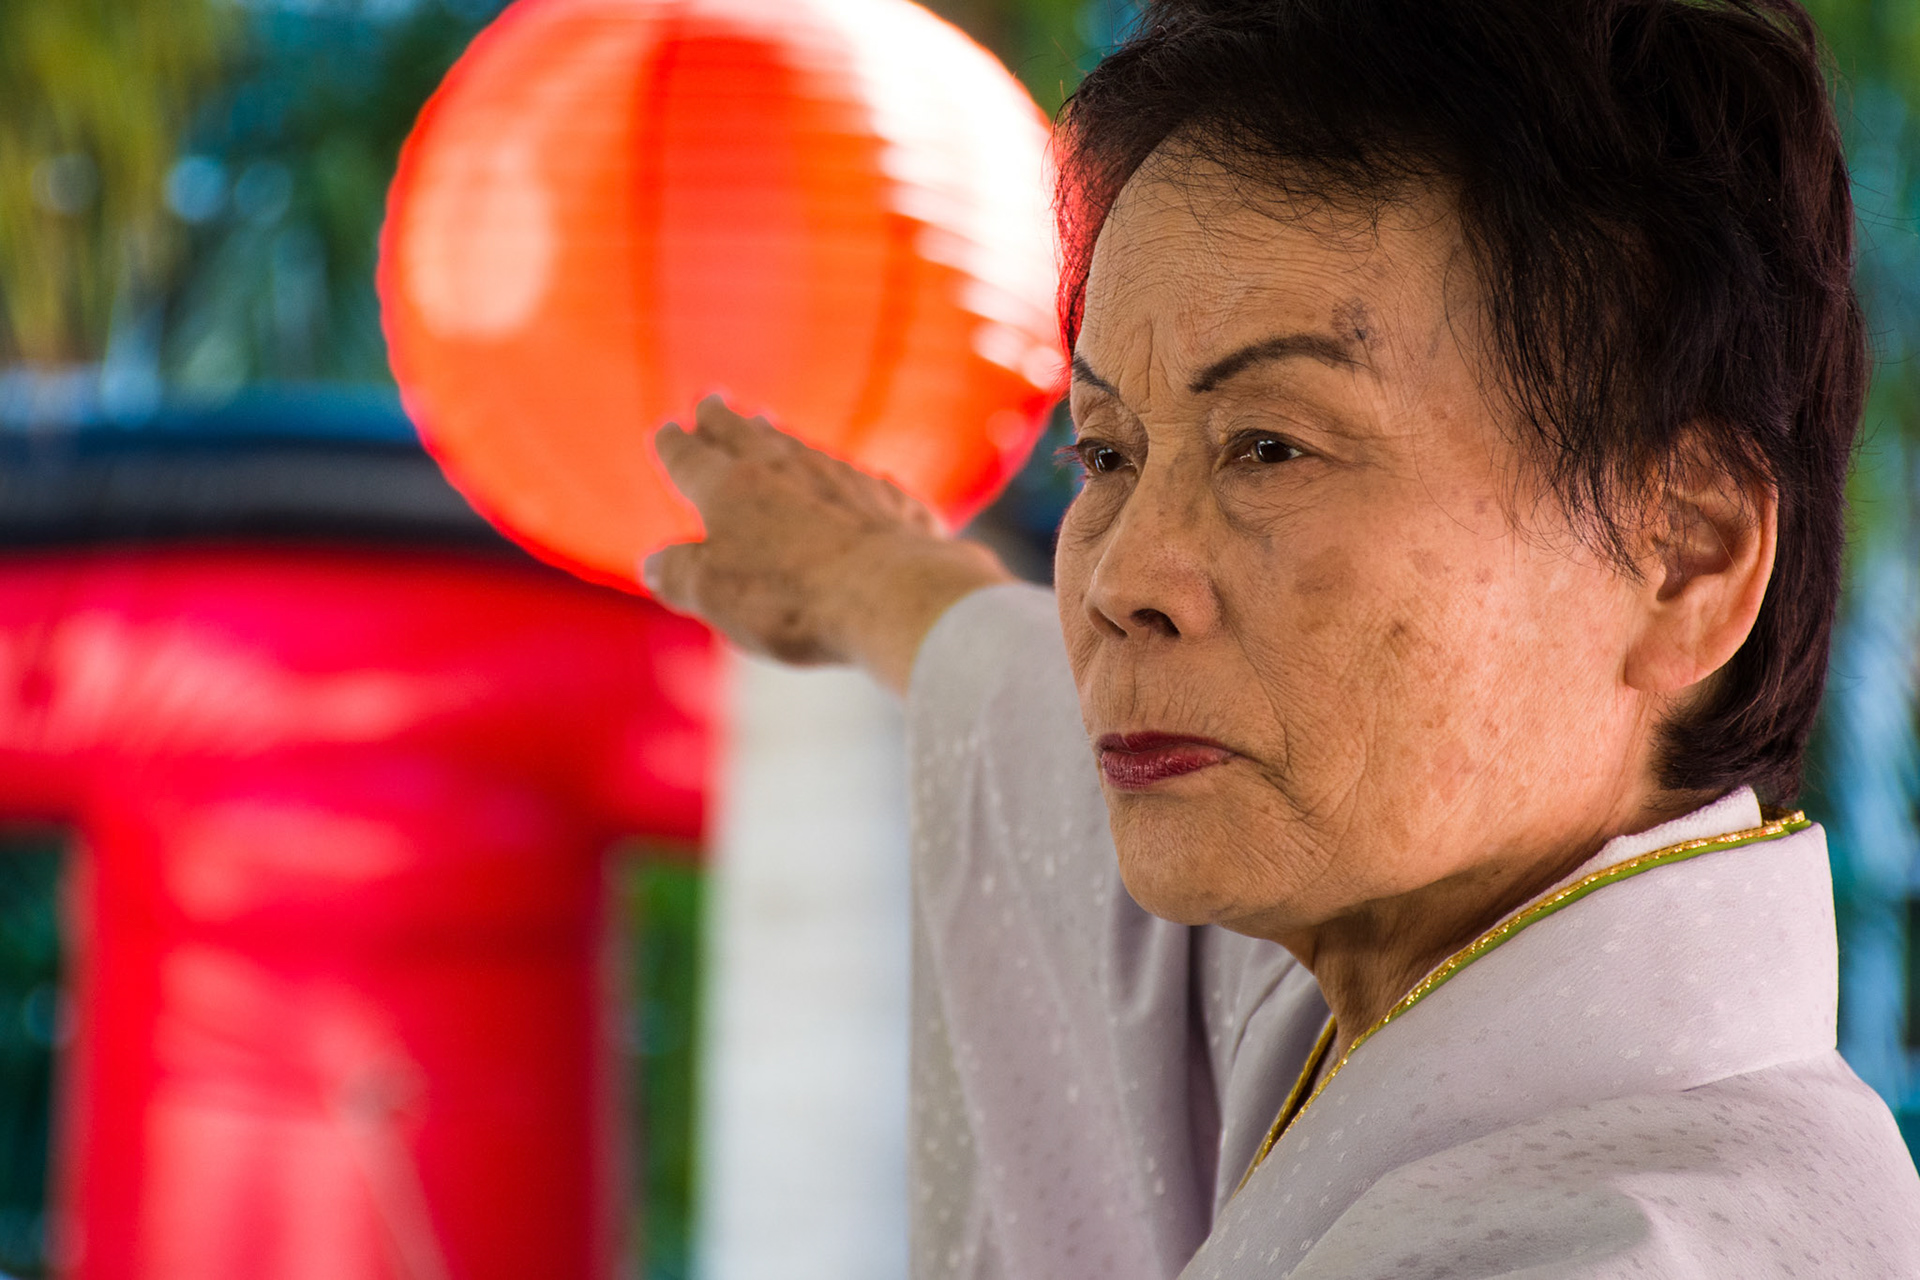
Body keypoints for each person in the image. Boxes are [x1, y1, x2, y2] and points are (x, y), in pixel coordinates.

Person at [644, 0, 1920, 1274]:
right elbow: (1039, 761)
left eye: (1269, 447)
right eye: (1106, 453)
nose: (1121, 581)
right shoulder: (1364, 976)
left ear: (1685, 557)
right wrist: (871, 579)